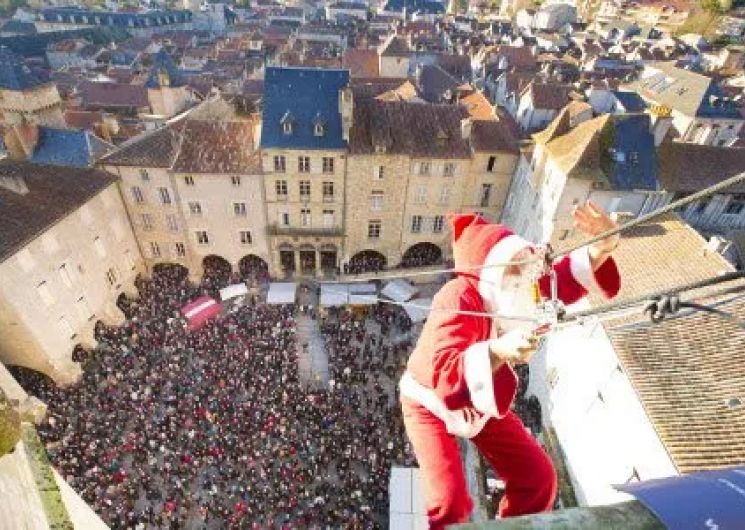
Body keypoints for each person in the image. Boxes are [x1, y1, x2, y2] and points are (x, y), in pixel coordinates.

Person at [400, 202, 622, 529]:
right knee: (449, 505)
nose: (528, 277)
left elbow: (564, 277)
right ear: (491, 274)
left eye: (527, 266)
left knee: (539, 478)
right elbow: (447, 379)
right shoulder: (458, 296)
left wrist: (602, 247)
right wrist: (497, 350)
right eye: (516, 269)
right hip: (428, 401)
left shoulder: (519, 287)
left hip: (478, 400)